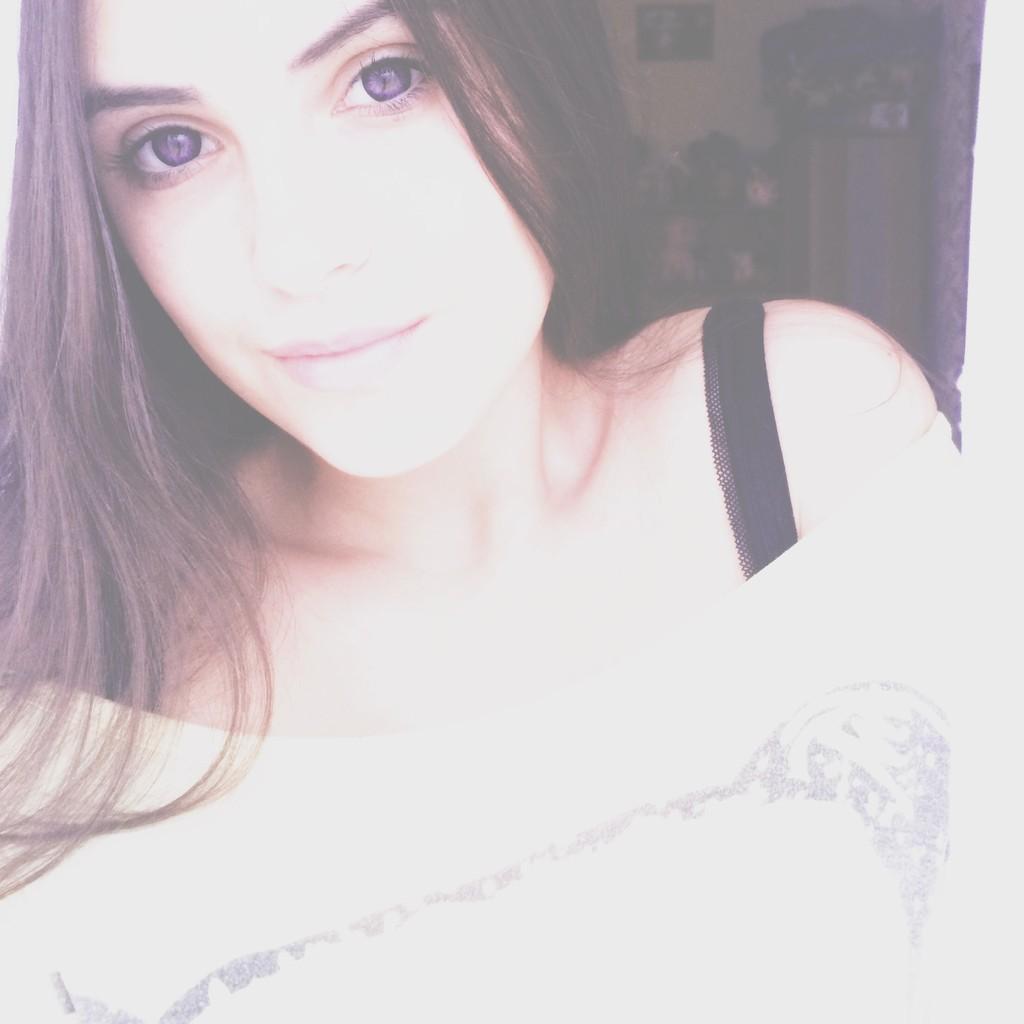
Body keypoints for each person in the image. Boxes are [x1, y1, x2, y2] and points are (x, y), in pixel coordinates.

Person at [0, 1, 974, 1020]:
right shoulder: (60, 676)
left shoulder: (808, 437)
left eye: (384, 79)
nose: (297, 251)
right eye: (171, 146)